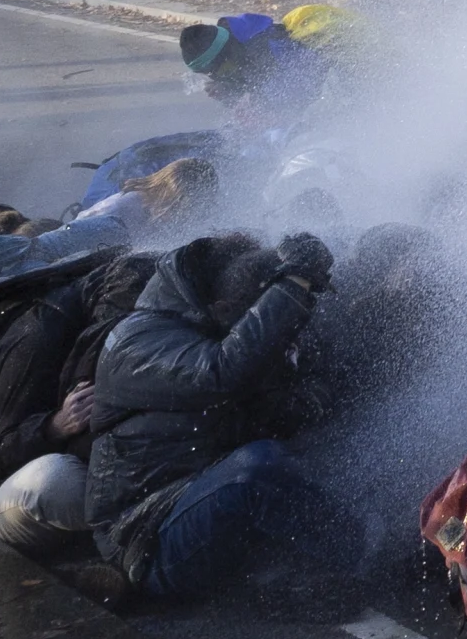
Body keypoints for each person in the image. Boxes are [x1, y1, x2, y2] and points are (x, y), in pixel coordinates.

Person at [83, 230, 370, 603]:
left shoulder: (216, 328)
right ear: (220, 308)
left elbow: (274, 411)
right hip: (145, 536)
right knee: (256, 470)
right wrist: (293, 284)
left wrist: (317, 394)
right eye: (252, 314)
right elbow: (220, 373)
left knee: (318, 458)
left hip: (201, 491)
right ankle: (368, 558)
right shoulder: (134, 341)